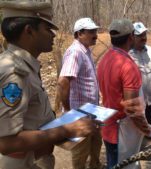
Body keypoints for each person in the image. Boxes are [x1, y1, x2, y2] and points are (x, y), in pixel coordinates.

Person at [0, 1, 101, 169]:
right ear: (29, 31)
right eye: (47, 29)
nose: (53, 35)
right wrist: (66, 130)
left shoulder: (25, 66)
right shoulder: (15, 73)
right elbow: (6, 142)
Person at [97, 19, 151, 169]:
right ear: (131, 37)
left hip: (108, 126)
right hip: (122, 133)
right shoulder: (127, 65)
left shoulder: (105, 59)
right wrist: (149, 130)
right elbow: (132, 109)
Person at [57, 18, 102, 169]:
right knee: (80, 155)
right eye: (91, 32)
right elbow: (63, 81)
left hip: (91, 113)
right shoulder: (75, 52)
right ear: (79, 34)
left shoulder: (85, 50)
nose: (95, 35)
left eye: (95, 31)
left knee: (95, 146)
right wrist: (68, 112)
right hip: (79, 116)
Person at [129, 22, 151, 126]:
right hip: (136, 105)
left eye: (144, 34)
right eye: (139, 35)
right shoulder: (126, 54)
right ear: (132, 37)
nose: (143, 38)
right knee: (137, 136)